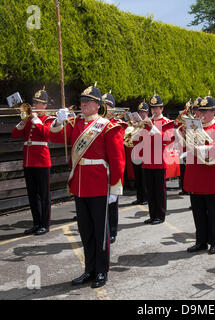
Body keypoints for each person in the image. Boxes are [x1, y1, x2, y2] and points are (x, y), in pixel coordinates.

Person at [50, 85, 125, 288]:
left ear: (97, 105)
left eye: (88, 101)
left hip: (100, 184)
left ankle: (102, 271)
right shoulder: (75, 123)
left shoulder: (108, 126)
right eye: (82, 101)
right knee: (85, 231)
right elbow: (55, 136)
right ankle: (89, 269)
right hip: (80, 185)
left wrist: (114, 188)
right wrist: (58, 120)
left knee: (101, 233)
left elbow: (117, 159)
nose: (83, 104)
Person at [176, 95, 215, 255]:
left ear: (214, 112)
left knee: (213, 211)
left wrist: (199, 148)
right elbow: (182, 147)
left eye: (206, 111)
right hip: (195, 173)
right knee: (198, 211)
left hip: (211, 173)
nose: (202, 114)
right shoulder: (193, 127)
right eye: (200, 111)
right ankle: (201, 241)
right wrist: (184, 135)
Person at [11, 88, 55, 236]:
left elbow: (46, 135)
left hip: (42, 161)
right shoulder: (28, 119)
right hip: (28, 161)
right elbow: (15, 135)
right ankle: (36, 223)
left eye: (39, 103)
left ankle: (45, 224)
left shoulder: (48, 119)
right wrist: (23, 122)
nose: (35, 105)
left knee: (44, 195)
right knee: (32, 195)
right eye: (34, 102)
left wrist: (36, 119)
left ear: (45, 105)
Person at [134, 93, 175, 225]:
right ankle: (152, 215)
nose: (154, 111)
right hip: (147, 160)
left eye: (157, 108)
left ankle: (160, 215)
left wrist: (151, 127)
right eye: (152, 108)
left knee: (159, 191)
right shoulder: (147, 122)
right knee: (150, 190)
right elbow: (140, 140)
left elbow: (166, 138)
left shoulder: (167, 123)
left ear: (162, 109)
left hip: (159, 160)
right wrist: (137, 129)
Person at [103, 91, 128, 244]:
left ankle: (112, 230)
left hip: (112, 168)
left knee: (112, 204)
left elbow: (118, 156)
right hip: (99, 169)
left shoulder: (116, 125)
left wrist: (116, 181)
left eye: (107, 107)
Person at [131, 102, 149, 204]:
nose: (142, 114)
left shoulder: (148, 123)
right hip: (136, 152)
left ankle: (145, 198)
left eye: (144, 112)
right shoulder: (136, 124)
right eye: (140, 112)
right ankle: (139, 197)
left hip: (145, 153)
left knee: (144, 178)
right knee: (137, 176)